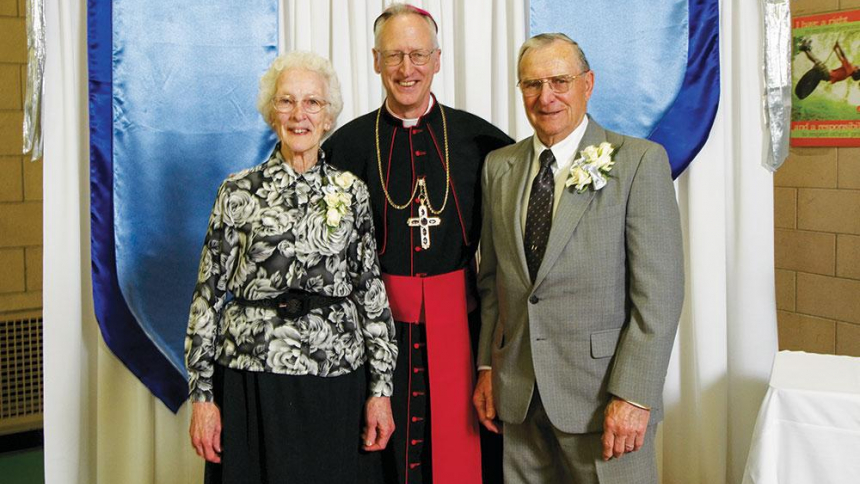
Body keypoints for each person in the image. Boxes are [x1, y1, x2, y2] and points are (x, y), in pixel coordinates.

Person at [472, 33, 684, 484]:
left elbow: (659, 297)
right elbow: (494, 283)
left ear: (588, 84)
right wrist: (489, 366)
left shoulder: (639, 163)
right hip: (520, 397)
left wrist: (634, 395)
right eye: (531, 84)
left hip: (602, 401)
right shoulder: (499, 167)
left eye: (559, 81)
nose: (544, 97)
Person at [185, 51, 398, 484]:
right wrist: (203, 398)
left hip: (335, 376)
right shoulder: (237, 190)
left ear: (328, 116)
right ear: (271, 112)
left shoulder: (351, 191)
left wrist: (380, 392)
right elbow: (207, 297)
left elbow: (371, 294)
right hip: (252, 378)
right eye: (286, 101)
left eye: (312, 103)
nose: (299, 114)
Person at [324, 4, 513, 484]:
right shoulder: (342, 148)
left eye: (417, 55)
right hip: (373, 337)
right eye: (394, 56)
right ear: (375, 61)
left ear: (438, 59)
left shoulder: (483, 143)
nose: (406, 69)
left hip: (464, 330)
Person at [795, 39, 860, 99]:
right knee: (818, 63)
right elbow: (841, 59)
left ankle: (805, 49)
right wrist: (835, 50)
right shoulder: (848, 71)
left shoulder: (850, 69)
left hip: (828, 75)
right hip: (827, 76)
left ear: (856, 71)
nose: (858, 66)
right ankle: (807, 49)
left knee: (818, 63)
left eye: (859, 67)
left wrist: (838, 46)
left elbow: (843, 56)